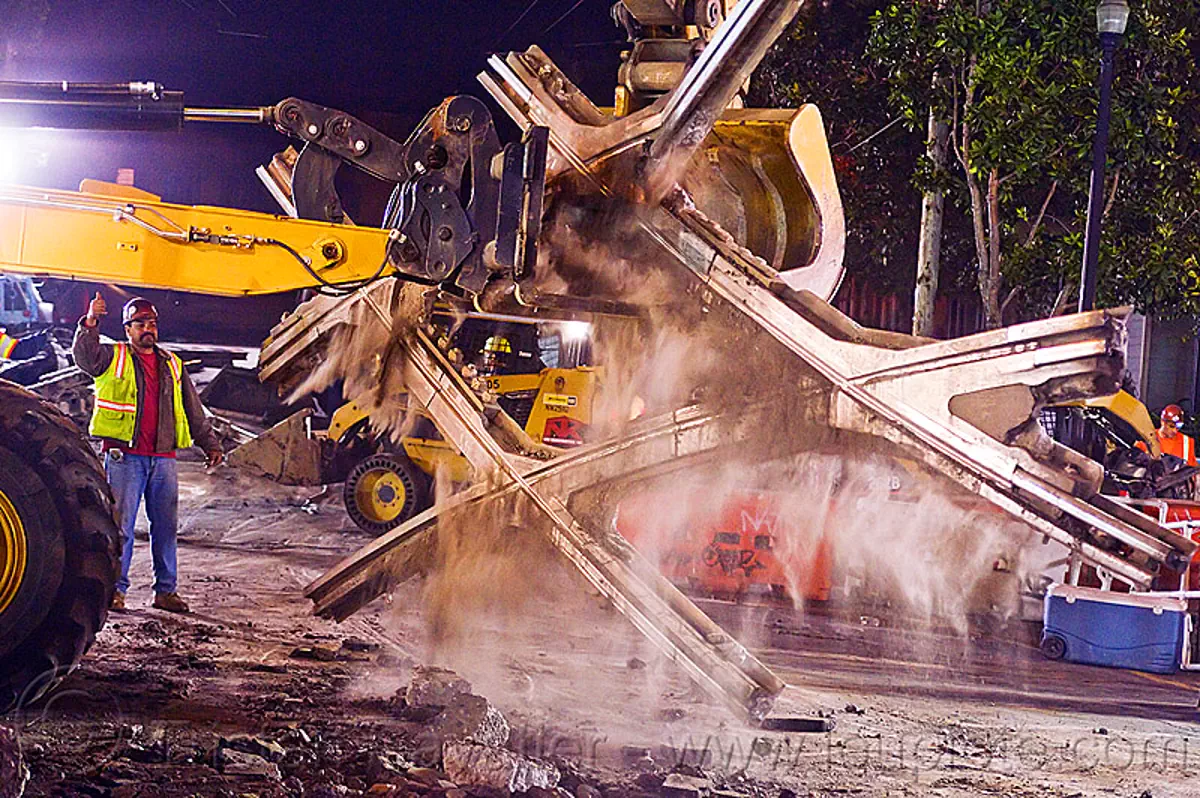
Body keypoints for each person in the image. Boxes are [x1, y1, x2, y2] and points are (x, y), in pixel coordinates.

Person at [73, 292, 223, 613]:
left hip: (163, 458)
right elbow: (85, 358)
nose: (148, 329)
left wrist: (208, 442)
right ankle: (116, 590)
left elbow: (193, 410)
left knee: (166, 527)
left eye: (152, 323)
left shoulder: (172, 363)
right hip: (124, 456)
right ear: (128, 329)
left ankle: (165, 592)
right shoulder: (113, 357)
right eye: (140, 323)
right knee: (121, 527)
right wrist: (90, 322)